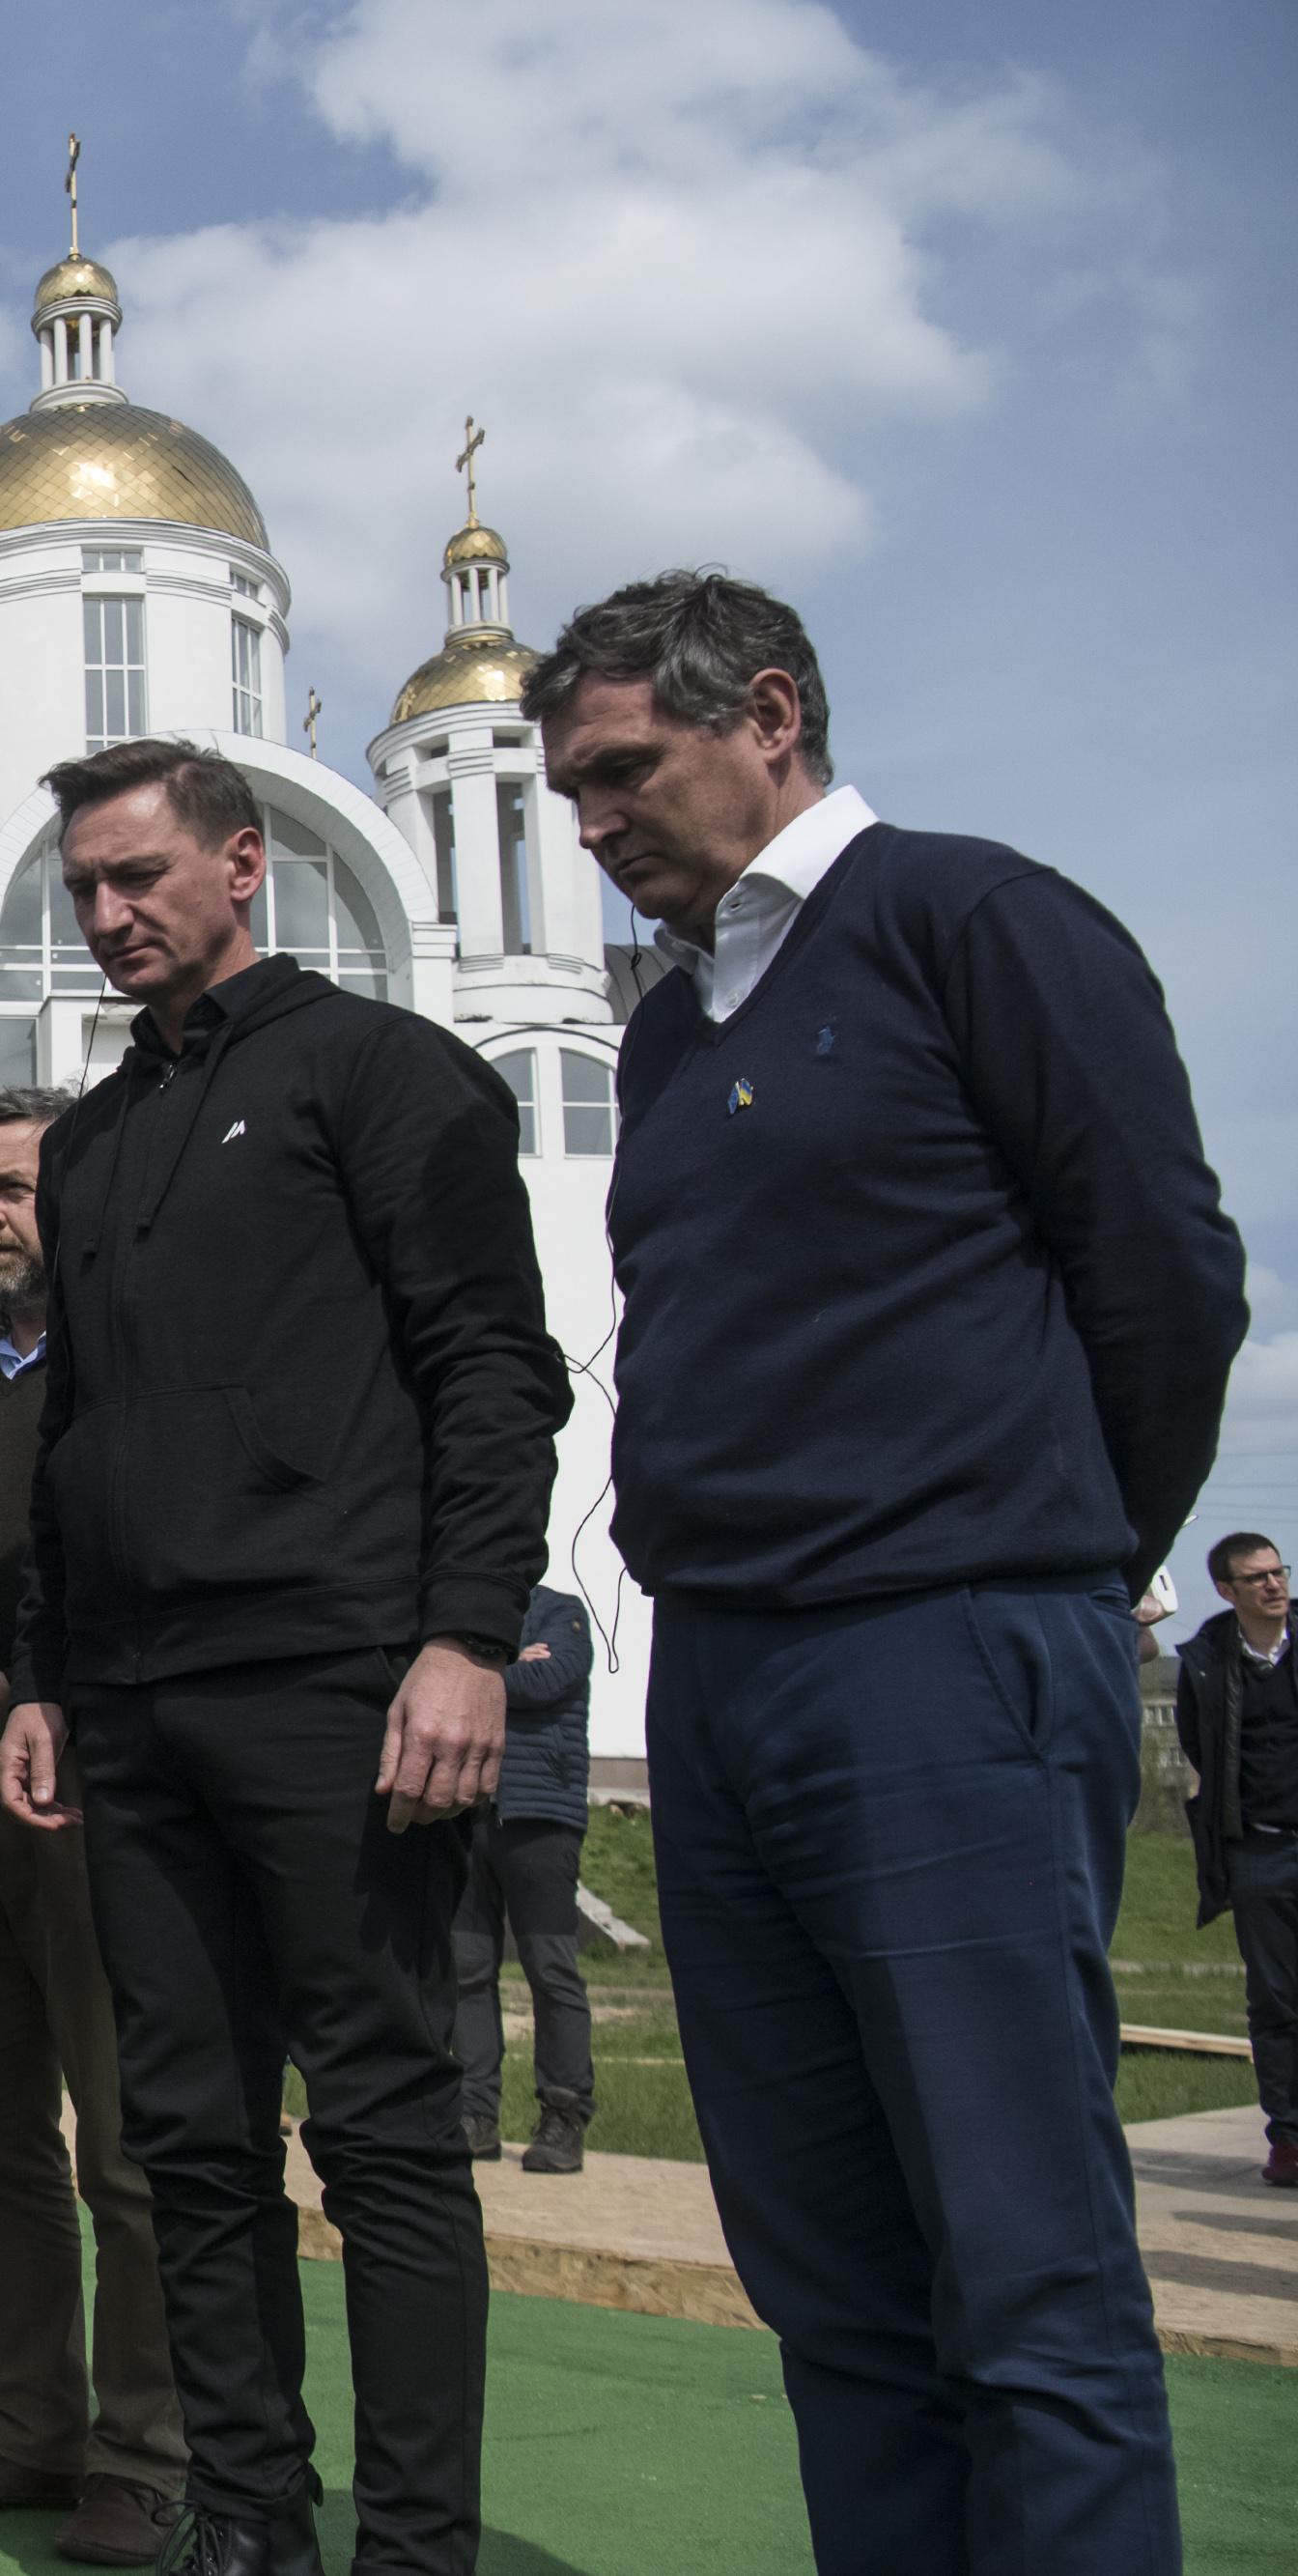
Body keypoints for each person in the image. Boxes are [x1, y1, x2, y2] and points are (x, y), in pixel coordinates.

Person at [531, 571, 1245, 2576]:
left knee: (1019, 2271)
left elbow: (1162, 1272)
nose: (585, 825)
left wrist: (1061, 1550)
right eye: (563, 790)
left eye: (617, 771)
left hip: (942, 1653)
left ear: (767, 711)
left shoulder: (971, 920)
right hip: (727, 1680)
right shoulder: (669, 1031)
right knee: (830, 2281)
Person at [0, 739, 567, 2576]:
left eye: (140, 876)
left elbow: (494, 1366)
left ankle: (414, 2546)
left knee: (388, 2132)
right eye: (84, 886)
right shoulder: (86, 1144)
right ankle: (246, 2518)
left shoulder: (383, 1075)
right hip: (135, 1711)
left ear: (244, 865)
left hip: (340, 1680)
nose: (107, 915)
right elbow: (71, 1429)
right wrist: (44, 1676)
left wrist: (467, 1635)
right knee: (187, 2136)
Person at [0, 1087, 181, 2567]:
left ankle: (148, 2452)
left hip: (94, 1784)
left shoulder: (129, 1364)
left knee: (132, 2147)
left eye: (18, 1187)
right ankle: (27, 2420)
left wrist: (39, 1690)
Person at [452, 1587, 595, 2174]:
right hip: (467, 1813)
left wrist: (473, 1678)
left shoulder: (562, 1612)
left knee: (552, 1971)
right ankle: (474, 2115)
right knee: (466, 1973)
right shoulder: (458, 1615)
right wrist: (510, 1667)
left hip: (540, 1820)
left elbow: (551, 1679)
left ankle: (564, 2117)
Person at [1178, 1534, 1298, 2190]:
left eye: (1279, 1572)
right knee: (1277, 2000)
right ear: (1228, 1590)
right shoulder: (1206, 1661)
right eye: (1257, 1578)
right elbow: (1200, 1750)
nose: (1274, 1585)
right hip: (1261, 1849)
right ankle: (1290, 2137)